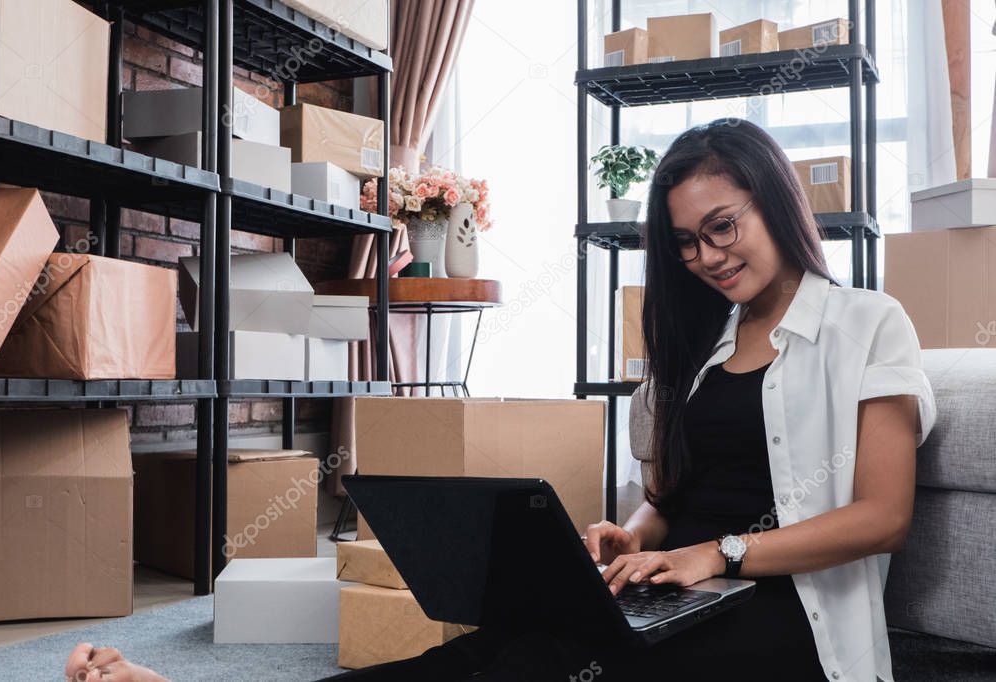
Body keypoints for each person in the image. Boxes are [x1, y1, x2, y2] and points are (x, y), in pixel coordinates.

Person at [64, 118, 935, 682]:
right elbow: (670, 503)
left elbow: (881, 516)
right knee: (502, 648)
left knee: (572, 664)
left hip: (789, 615)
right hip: (684, 583)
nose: (707, 257)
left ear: (774, 202)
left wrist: (723, 555)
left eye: (722, 227)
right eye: (685, 244)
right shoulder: (694, 347)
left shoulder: (867, 325)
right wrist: (629, 537)